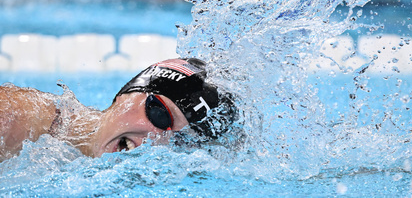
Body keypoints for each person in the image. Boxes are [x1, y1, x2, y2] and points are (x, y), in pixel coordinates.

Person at [0, 58, 236, 161]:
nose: (157, 141)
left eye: (181, 141)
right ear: (127, 94)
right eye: (159, 114)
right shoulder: (18, 120)